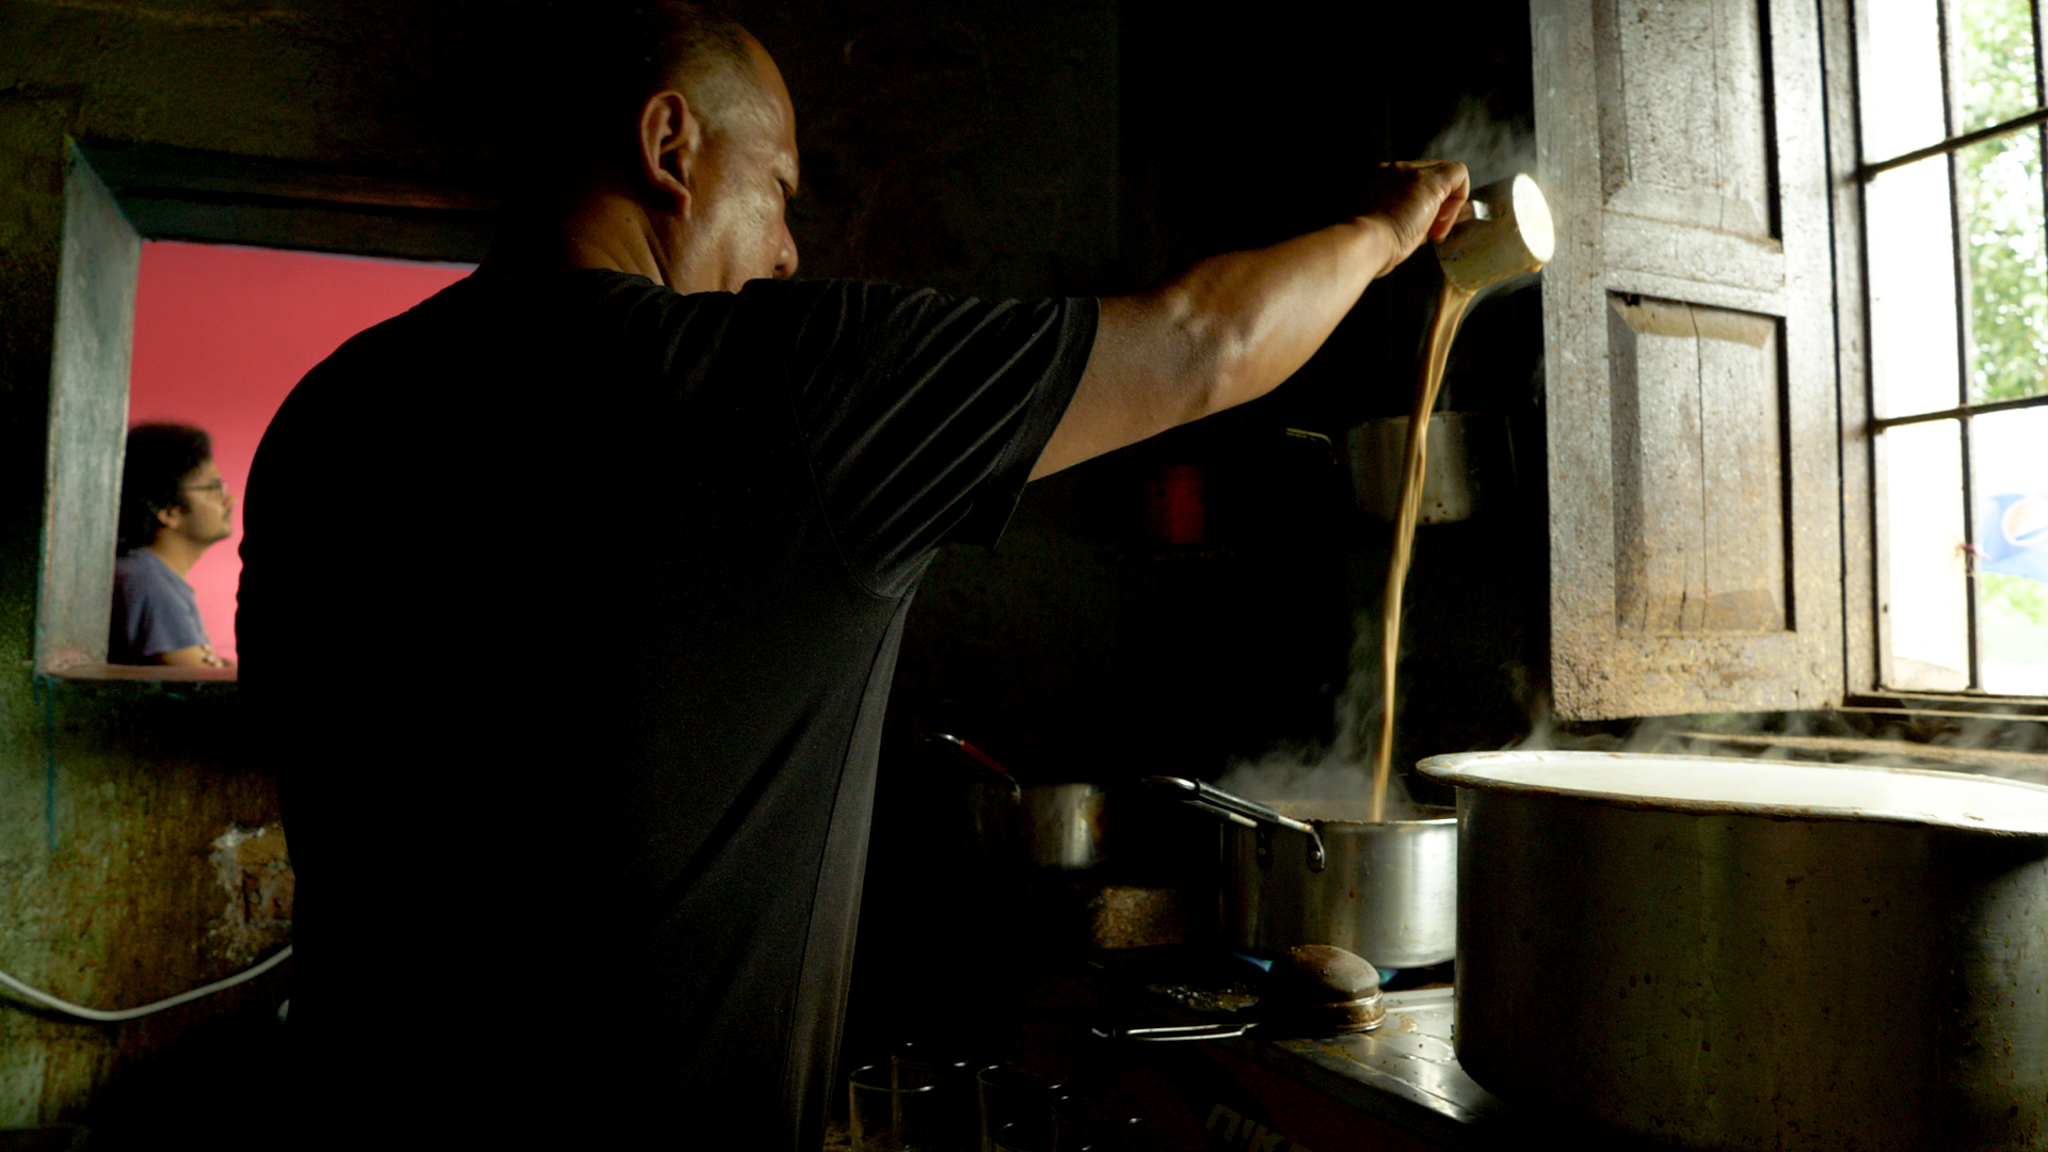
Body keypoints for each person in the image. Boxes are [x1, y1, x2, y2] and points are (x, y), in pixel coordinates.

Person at [235, 5, 1467, 1147]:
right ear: (668, 145)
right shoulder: (781, 388)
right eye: (776, 189)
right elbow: (1210, 342)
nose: (783, 253)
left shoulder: (328, 417)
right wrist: (1383, 230)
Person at [110, 422, 234, 667]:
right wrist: (213, 666)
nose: (230, 500)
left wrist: (218, 666)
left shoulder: (148, 573)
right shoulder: (147, 580)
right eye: (213, 489)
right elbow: (197, 678)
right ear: (168, 511)